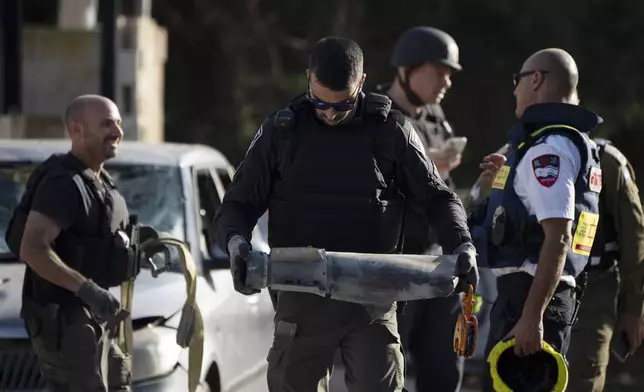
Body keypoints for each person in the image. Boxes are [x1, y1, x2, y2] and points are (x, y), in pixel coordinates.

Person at [213, 36, 479, 392]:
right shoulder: (282, 133)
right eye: (320, 103)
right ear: (309, 80)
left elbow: (437, 197)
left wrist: (461, 244)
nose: (330, 114)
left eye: (343, 105)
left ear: (363, 84)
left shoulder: (390, 130)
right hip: (301, 293)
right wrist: (235, 242)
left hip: (373, 295)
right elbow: (237, 205)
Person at [467, 48, 603, 392]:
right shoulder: (565, 145)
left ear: (537, 79)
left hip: (529, 302)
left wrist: (532, 317)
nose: (514, 90)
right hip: (536, 299)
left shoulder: (547, 150)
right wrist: (508, 182)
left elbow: (557, 237)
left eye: (518, 81)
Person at [10, 95, 135, 391]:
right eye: (106, 124)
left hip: (94, 320)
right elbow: (33, 248)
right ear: (77, 130)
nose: (117, 132)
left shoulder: (100, 182)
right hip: (66, 322)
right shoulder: (63, 183)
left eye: (118, 123)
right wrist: (87, 290)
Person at [376, 26, 465, 391]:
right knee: (383, 372)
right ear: (408, 68)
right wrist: (425, 166)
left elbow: (448, 195)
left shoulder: (436, 120)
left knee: (444, 371)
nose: (446, 81)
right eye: (439, 70)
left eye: (450, 73)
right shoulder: (375, 115)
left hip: (438, 264)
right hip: (391, 265)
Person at [566, 139, 644, 391]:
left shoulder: (606, 160)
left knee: (581, 379)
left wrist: (632, 308)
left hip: (592, 289)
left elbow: (635, 240)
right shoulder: (516, 151)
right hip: (527, 288)